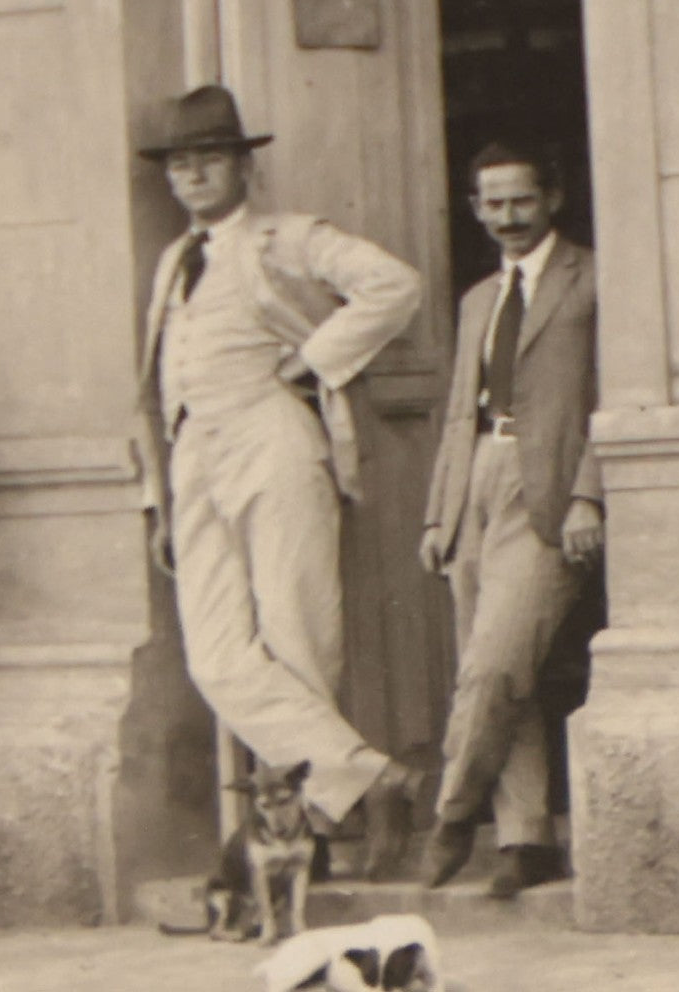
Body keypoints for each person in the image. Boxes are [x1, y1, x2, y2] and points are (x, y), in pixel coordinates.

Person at [134, 84, 426, 880]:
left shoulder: (286, 237)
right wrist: (159, 498)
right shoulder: (173, 262)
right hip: (194, 453)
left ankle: (318, 835)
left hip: (270, 432)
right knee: (218, 654)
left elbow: (395, 285)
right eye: (179, 165)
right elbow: (154, 380)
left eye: (209, 160)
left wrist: (313, 360)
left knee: (298, 638)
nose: (192, 178)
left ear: (242, 167)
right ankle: (371, 779)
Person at [417, 140, 602, 894]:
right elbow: (461, 410)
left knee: (497, 662)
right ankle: (524, 840)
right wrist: (439, 514)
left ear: (552, 198)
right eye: (490, 204)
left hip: (548, 485)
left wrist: (589, 493)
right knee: (493, 668)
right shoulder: (475, 301)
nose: (506, 218)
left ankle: (452, 815)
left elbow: (608, 393)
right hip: (477, 487)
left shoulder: (592, 280)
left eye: (520, 201)